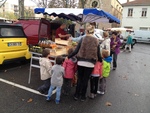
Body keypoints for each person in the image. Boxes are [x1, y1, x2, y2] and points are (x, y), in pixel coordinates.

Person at [68, 24, 100, 101]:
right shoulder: (96, 40)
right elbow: (98, 53)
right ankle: (83, 96)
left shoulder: (82, 39)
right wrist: (101, 60)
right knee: (86, 80)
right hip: (90, 63)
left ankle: (76, 95)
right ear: (93, 31)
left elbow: (76, 50)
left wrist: (69, 56)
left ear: (86, 31)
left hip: (81, 62)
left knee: (79, 79)